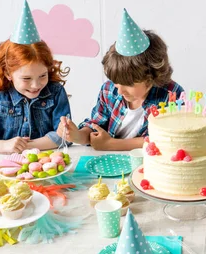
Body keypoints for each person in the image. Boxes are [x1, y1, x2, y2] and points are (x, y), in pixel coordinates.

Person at [59, 9, 183, 151]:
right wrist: (78, 136)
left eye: (128, 84)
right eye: (116, 81)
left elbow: (168, 139)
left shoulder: (172, 95)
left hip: (147, 163)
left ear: (151, 76)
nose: (120, 89)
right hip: (108, 161)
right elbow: (96, 127)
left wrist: (112, 144)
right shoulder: (109, 90)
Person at [0, 0, 71, 154]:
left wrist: (26, 146)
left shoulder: (56, 92)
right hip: (11, 169)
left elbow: (65, 136)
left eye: (42, 75)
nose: (36, 85)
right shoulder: (0, 101)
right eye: (26, 78)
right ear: (8, 74)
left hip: (49, 166)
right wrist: (4, 146)